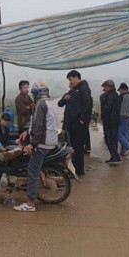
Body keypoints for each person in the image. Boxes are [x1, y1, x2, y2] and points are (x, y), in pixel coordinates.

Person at [14, 81, 59, 212]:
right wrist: (26, 132)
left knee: (32, 172)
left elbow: (39, 127)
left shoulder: (40, 105)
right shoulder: (47, 104)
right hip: (50, 141)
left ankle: (30, 204)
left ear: (36, 94)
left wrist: (31, 145)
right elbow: (37, 124)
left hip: (43, 143)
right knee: (35, 168)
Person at [58, 70, 92, 176]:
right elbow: (60, 103)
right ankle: (73, 167)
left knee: (78, 146)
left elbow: (88, 104)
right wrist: (65, 98)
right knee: (71, 146)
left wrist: (82, 119)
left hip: (77, 123)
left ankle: (79, 170)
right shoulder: (72, 91)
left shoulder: (84, 89)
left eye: (70, 79)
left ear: (76, 77)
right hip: (70, 123)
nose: (70, 82)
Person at [100, 79, 121, 165]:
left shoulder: (110, 96)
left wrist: (103, 116)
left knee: (110, 140)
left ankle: (116, 157)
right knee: (113, 140)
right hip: (114, 121)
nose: (104, 89)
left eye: (105, 87)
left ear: (109, 87)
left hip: (110, 122)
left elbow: (107, 108)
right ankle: (113, 156)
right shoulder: (115, 95)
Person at [117, 82, 129, 156]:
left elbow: (117, 108)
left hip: (122, 117)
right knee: (126, 134)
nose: (120, 92)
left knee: (118, 134)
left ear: (122, 89)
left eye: (120, 90)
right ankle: (123, 152)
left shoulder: (121, 97)